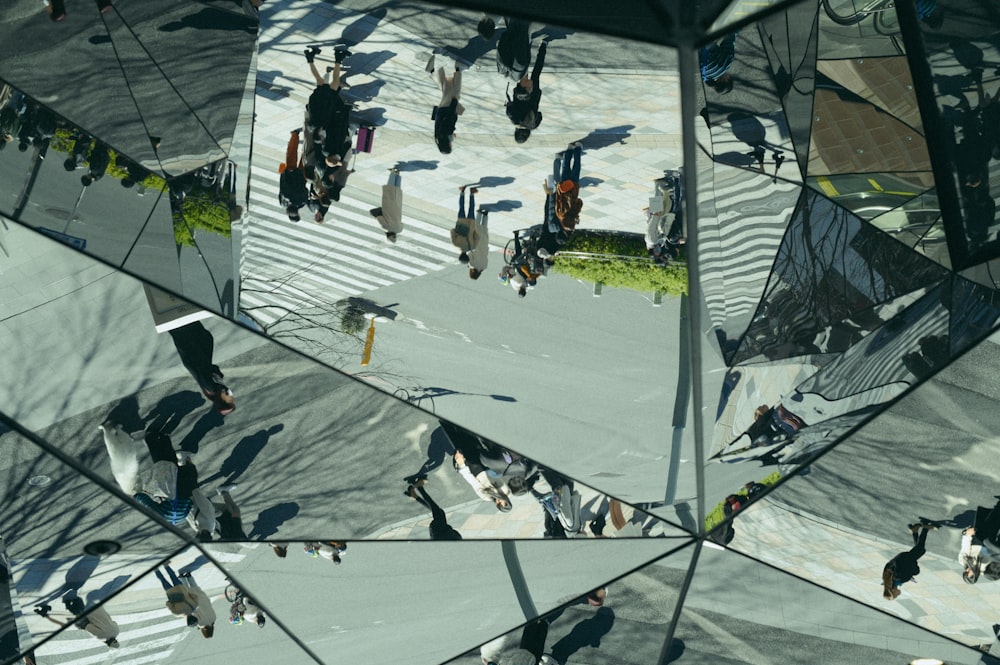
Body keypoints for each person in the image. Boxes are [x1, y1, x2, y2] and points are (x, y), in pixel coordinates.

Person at [131, 430, 214, 528]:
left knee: (171, 461)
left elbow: (190, 503)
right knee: (159, 460)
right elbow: (147, 502)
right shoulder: (163, 516)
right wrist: (136, 495)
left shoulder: (182, 516)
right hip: (167, 486)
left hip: (181, 488)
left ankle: (164, 437)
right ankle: (150, 437)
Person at [167, 321, 235, 415]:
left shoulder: (210, 386)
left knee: (179, 325)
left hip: (192, 349)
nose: (232, 398)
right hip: (196, 348)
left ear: (223, 400)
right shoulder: (216, 388)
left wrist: (216, 373)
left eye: (230, 401)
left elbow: (203, 368)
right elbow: (213, 369)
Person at [34, 599, 120, 649]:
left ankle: (72, 605)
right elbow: (88, 627)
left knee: (78, 610)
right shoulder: (102, 636)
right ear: (108, 644)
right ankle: (46, 613)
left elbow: (114, 622)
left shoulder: (117, 631)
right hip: (89, 614)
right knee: (72, 622)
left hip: (99, 608)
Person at [882, 522, 937, 599]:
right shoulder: (886, 578)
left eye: (896, 595)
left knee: (921, 549)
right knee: (919, 549)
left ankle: (926, 528)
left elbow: (911, 568)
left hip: (908, 559)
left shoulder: (900, 579)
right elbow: (889, 565)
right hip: (901, 557)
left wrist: (916, 571)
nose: (898, 595)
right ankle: (914, 531)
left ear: (893, 590)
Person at [506, 40, 547, 143]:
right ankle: (526, 45)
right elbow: (509, 109)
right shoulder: (515, 120)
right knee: (523, 71)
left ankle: (543, 46)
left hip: (534, 95)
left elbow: (540, 115)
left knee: (537, 72)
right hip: (521, 93)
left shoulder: (533, 125)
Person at [543, 144, 583, 232]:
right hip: (563, 188)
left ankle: (578, 149)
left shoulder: (574, 213)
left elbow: (580, 201)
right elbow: (557, 201)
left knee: (576, 168)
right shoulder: (560, 214)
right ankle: (569, 150)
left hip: (573, 188)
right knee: (566, 169)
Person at [278, 129, 311, 222]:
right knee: (291, 153)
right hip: (289, 173)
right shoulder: (283, 203)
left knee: (305, 157)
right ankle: (294, 135)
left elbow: (305, 191)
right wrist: (283, 173)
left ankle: (309, 138)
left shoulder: (302, 202)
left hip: (301, 176)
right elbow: (281, 186)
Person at [434, 64, 464, 154]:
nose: (451, 145)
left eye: (450, 146)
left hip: (447, 108)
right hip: (441, 110)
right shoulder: (438, 136)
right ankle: (434, 72)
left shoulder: (446, 133)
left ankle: (458, 69)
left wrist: (453, 104)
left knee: (455, 91)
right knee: (447, 90)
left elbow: (449, 118)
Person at [369, 168, 403, 242]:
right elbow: (379, 217)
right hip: (388, 207)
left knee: (397, 191)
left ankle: (397, 175)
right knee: (389, 189)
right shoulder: (386, 227)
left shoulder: (400, 229)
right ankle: (392, 173)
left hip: (397, 208)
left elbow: (402, 224)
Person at [495, 17, 532, 83]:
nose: (532, 89)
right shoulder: (504, 71)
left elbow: (520, 42)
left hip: (520, 27)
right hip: (509, 31)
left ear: (524, 86)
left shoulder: (520, 67)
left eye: (530, 90)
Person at [450, 186, 480, 263]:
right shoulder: (455, 243)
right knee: (461, 207)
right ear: (460, 255)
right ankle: (462, 191)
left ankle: (472, 193)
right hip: (461, 222)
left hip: (470, 223)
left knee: (471, 208)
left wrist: (473, 231)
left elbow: (477, 236)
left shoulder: (473, 246)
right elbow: (452, 231)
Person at [468, 207, 490, 279]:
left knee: (484, 229)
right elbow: (470, 254)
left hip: (484, 245)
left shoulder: (484, 267)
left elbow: (486, 258)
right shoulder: (472, 264)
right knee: (476, 227)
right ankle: (479, 214)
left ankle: (485, 216)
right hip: (476, 244)